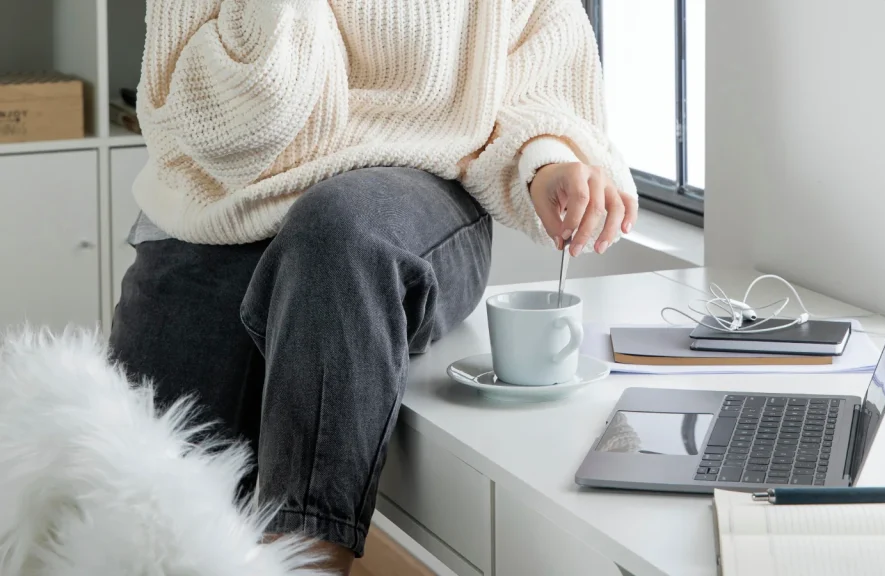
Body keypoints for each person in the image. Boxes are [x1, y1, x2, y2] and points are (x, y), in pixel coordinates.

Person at [110, 0, 637, 573]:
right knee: (135, 519)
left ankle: (310, 559)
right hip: (220, 200)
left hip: (408, 190)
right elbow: (215, 122)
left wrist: (548, 161)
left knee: (339, 231)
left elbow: (537, 71)